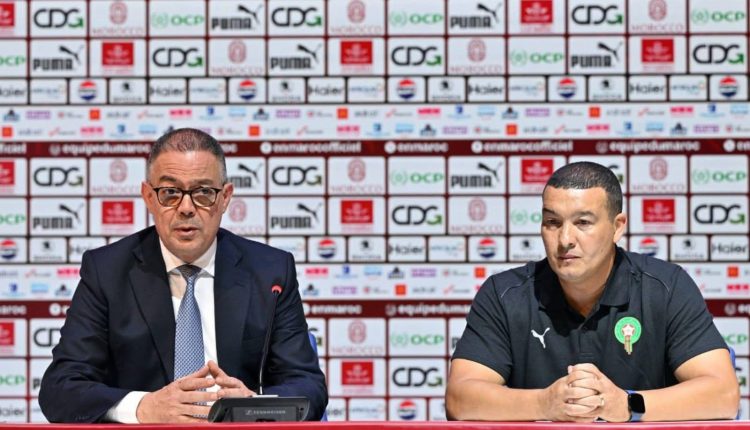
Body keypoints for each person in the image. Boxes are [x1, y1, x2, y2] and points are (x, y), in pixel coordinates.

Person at [39, 128, 327, 423]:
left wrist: (254, 406)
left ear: (225, 198)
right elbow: (60, 388)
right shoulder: (107, 271)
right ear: (149, 197)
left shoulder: (270, 272)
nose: (186, 208)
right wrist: (144, 408)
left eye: (203, 192)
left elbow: (308, 386)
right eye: (170, 193)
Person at [446, 161, 739, 422]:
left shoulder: (666, 287)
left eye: (583, 222)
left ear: (617, 226)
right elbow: (461, 398)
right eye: (552, 222)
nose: (565, 239)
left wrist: (625, 405)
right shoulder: (504, 294)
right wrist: (545, 403)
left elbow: (723, 394)